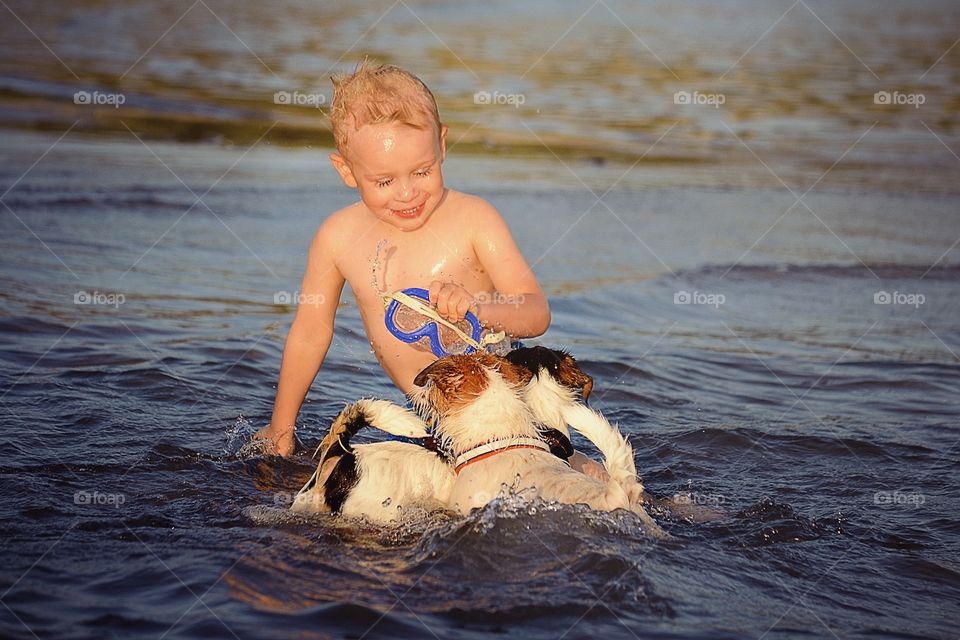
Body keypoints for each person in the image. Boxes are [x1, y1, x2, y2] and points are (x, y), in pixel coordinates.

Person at [252, 62, 604, 480]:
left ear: (441, 145)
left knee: (567, 475)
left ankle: (598, 477)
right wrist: (282, 426)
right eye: (383, 181)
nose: (406, 193)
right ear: (346, 170)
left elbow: (535, 311)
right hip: (431, 424)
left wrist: (479, 307)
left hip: (508, 409)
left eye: (422, 172)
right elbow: (311, 331)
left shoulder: (475, 220)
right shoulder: (336, 238)